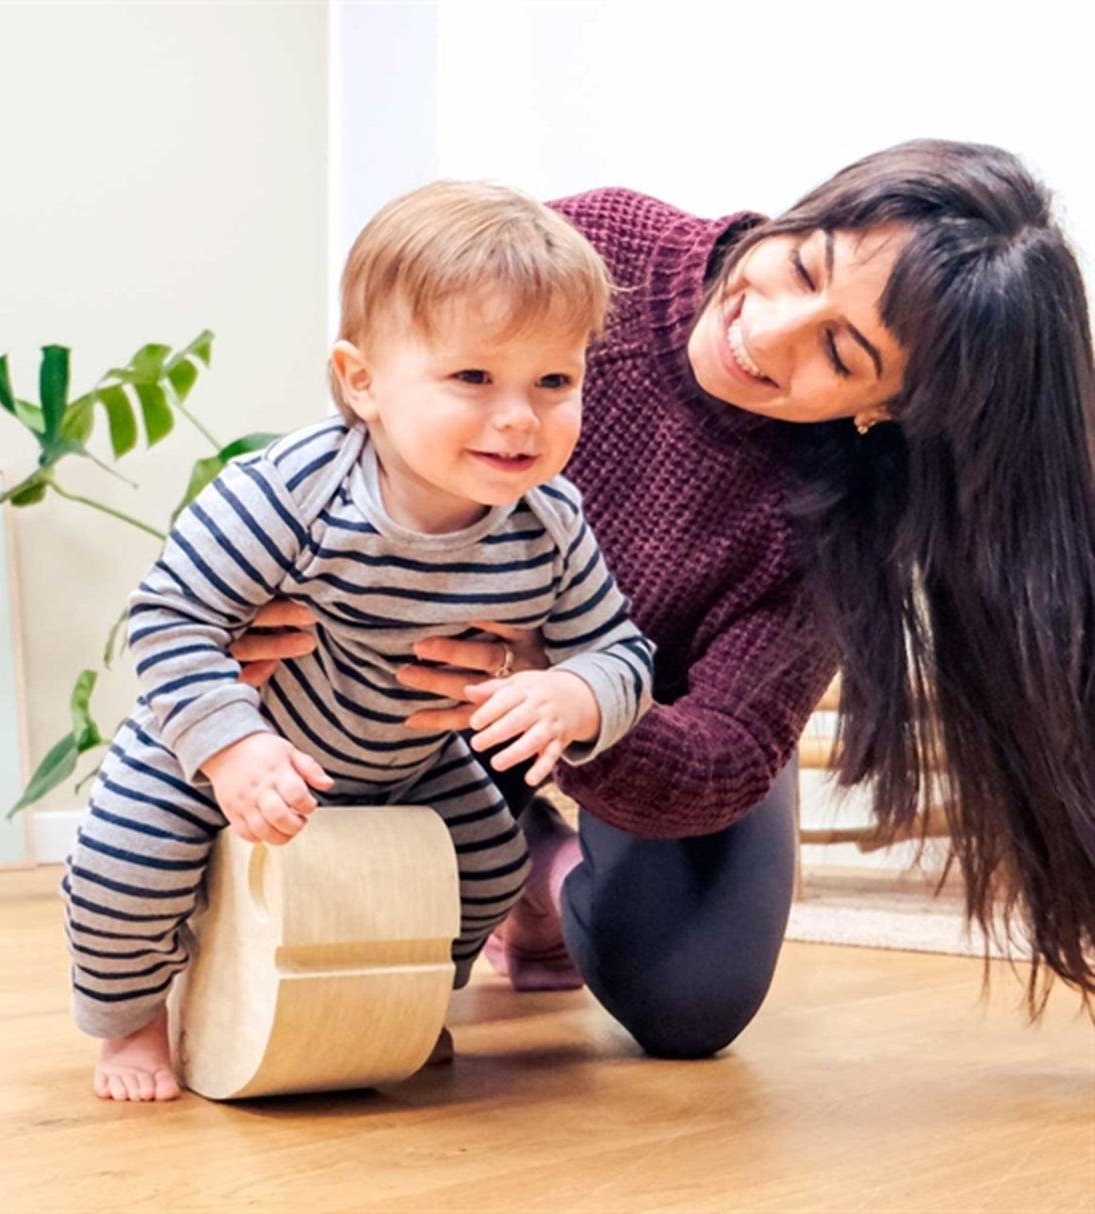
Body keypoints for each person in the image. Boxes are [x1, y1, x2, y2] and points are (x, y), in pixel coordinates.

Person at [236, 139, 1095, 1056]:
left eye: (838, 354)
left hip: (642, 715)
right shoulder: (598, 248)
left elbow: (724, 754)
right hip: (420, 679)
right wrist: (277, 612)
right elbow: (385, 405)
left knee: (694, 1000)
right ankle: (513, 856)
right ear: (800, 214)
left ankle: (547, 876)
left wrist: (563, 692)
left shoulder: (833, 523)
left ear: (884, 408)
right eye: (801, 265)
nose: (766, 334)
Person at [63, 181, 656, 1101]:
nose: (519, 417)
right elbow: (172, 617)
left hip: (406, 765)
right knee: (123, 866)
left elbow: (619, 651)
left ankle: (409, 1004)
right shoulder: (292, 494)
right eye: (473, 378)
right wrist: (232, 748)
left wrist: (575, 694)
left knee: (492, 862)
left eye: (554, 382)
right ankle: (132, 1022)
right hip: (222, 750)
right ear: (362, 381)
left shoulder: (550, 523)